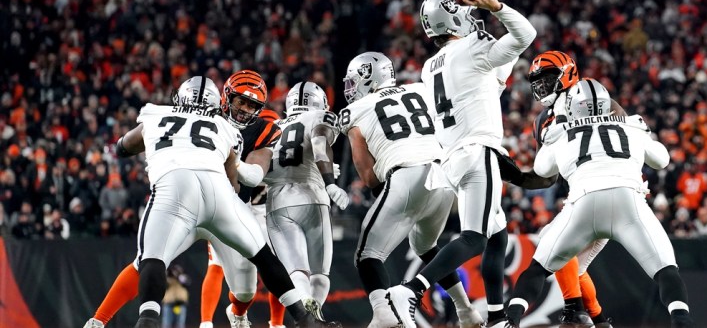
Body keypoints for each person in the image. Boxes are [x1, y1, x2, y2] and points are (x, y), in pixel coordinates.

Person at [94, 76, 339, 328]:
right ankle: (297, 320)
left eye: (252, 105)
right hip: (221, 199)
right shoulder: (226, 129)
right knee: (262, 257)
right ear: (223, 99)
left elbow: (122, 146)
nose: (244, 110)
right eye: (240, 101)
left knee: (153, 261)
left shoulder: (156, 116)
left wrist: (111, 151)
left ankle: (139, 319)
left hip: (177, 198)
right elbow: (238, 181)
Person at [386, 0, 538, 328]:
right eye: (468, 14)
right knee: (475, 237)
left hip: (453, 158)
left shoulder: (430, 66)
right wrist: (498, 7)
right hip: (476, 152)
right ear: (455, 20)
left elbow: (491, 76)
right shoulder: (473, 47)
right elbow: (526, 34)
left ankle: (498, 318)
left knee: (498, 236)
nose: (474, 20)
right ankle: (412, 289)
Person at [504, 79, 694, 328]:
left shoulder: (562, 132)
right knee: (666, 270)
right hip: (629, 203)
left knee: (539, 268)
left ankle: (512, 319)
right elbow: (662, 160)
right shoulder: (631, 125)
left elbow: (541, 168)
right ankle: (681, 319)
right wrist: (643, 133)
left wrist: (556, 140)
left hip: (583, 203)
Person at [339, 52, 483, 328]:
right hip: (443, 175)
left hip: (406, 173)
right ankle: (465, 310)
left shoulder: (357, 110)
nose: (351, 88)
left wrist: (379, 189)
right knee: (426, 245)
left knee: (367, 255)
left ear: (369, 77)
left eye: (354, 80)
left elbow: (365, 170)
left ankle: (384, 314)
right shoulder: (421, 90)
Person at [527, 51, 617, 327]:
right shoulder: (545, 117)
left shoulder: (593, 98)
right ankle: (598, 320)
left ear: (568, 74)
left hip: (601, 190)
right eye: (538, 80)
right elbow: (547, 163)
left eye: (549, 78)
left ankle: (575, 311)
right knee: (572, 266)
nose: (542, 86)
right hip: (592, 193)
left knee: (554, 244)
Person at [264, 81, 349, 319]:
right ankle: (315, 316)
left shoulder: (272, 126)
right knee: (320, 274)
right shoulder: (319, 116)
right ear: (319, 102)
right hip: (313, 195)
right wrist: (330, 180)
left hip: (277, 201)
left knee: (296, 271)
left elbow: (261, 169)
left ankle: (306, 316)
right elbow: (319, 144)